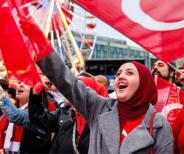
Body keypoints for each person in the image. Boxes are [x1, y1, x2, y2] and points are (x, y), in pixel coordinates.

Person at [20, 16, 173, 153]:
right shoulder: (98, 108)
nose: (120, 77)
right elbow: (66, 80)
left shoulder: (159, 125)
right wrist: (40, 42)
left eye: (129, 73)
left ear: (144, 85)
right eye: (118, 74)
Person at [29, 76, 108, 154]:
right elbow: (39, 118)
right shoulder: (66, 121)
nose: (74, 98)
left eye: (80, 94)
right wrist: (35, 93)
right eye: (73, 93)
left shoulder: (106, 126)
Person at [0, 74, 54, 154]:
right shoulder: (4, 116)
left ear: (37, 91)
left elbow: (15, 115)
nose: (21, 85)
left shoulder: (39, 116)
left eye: (27, 83)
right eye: (19, 82)